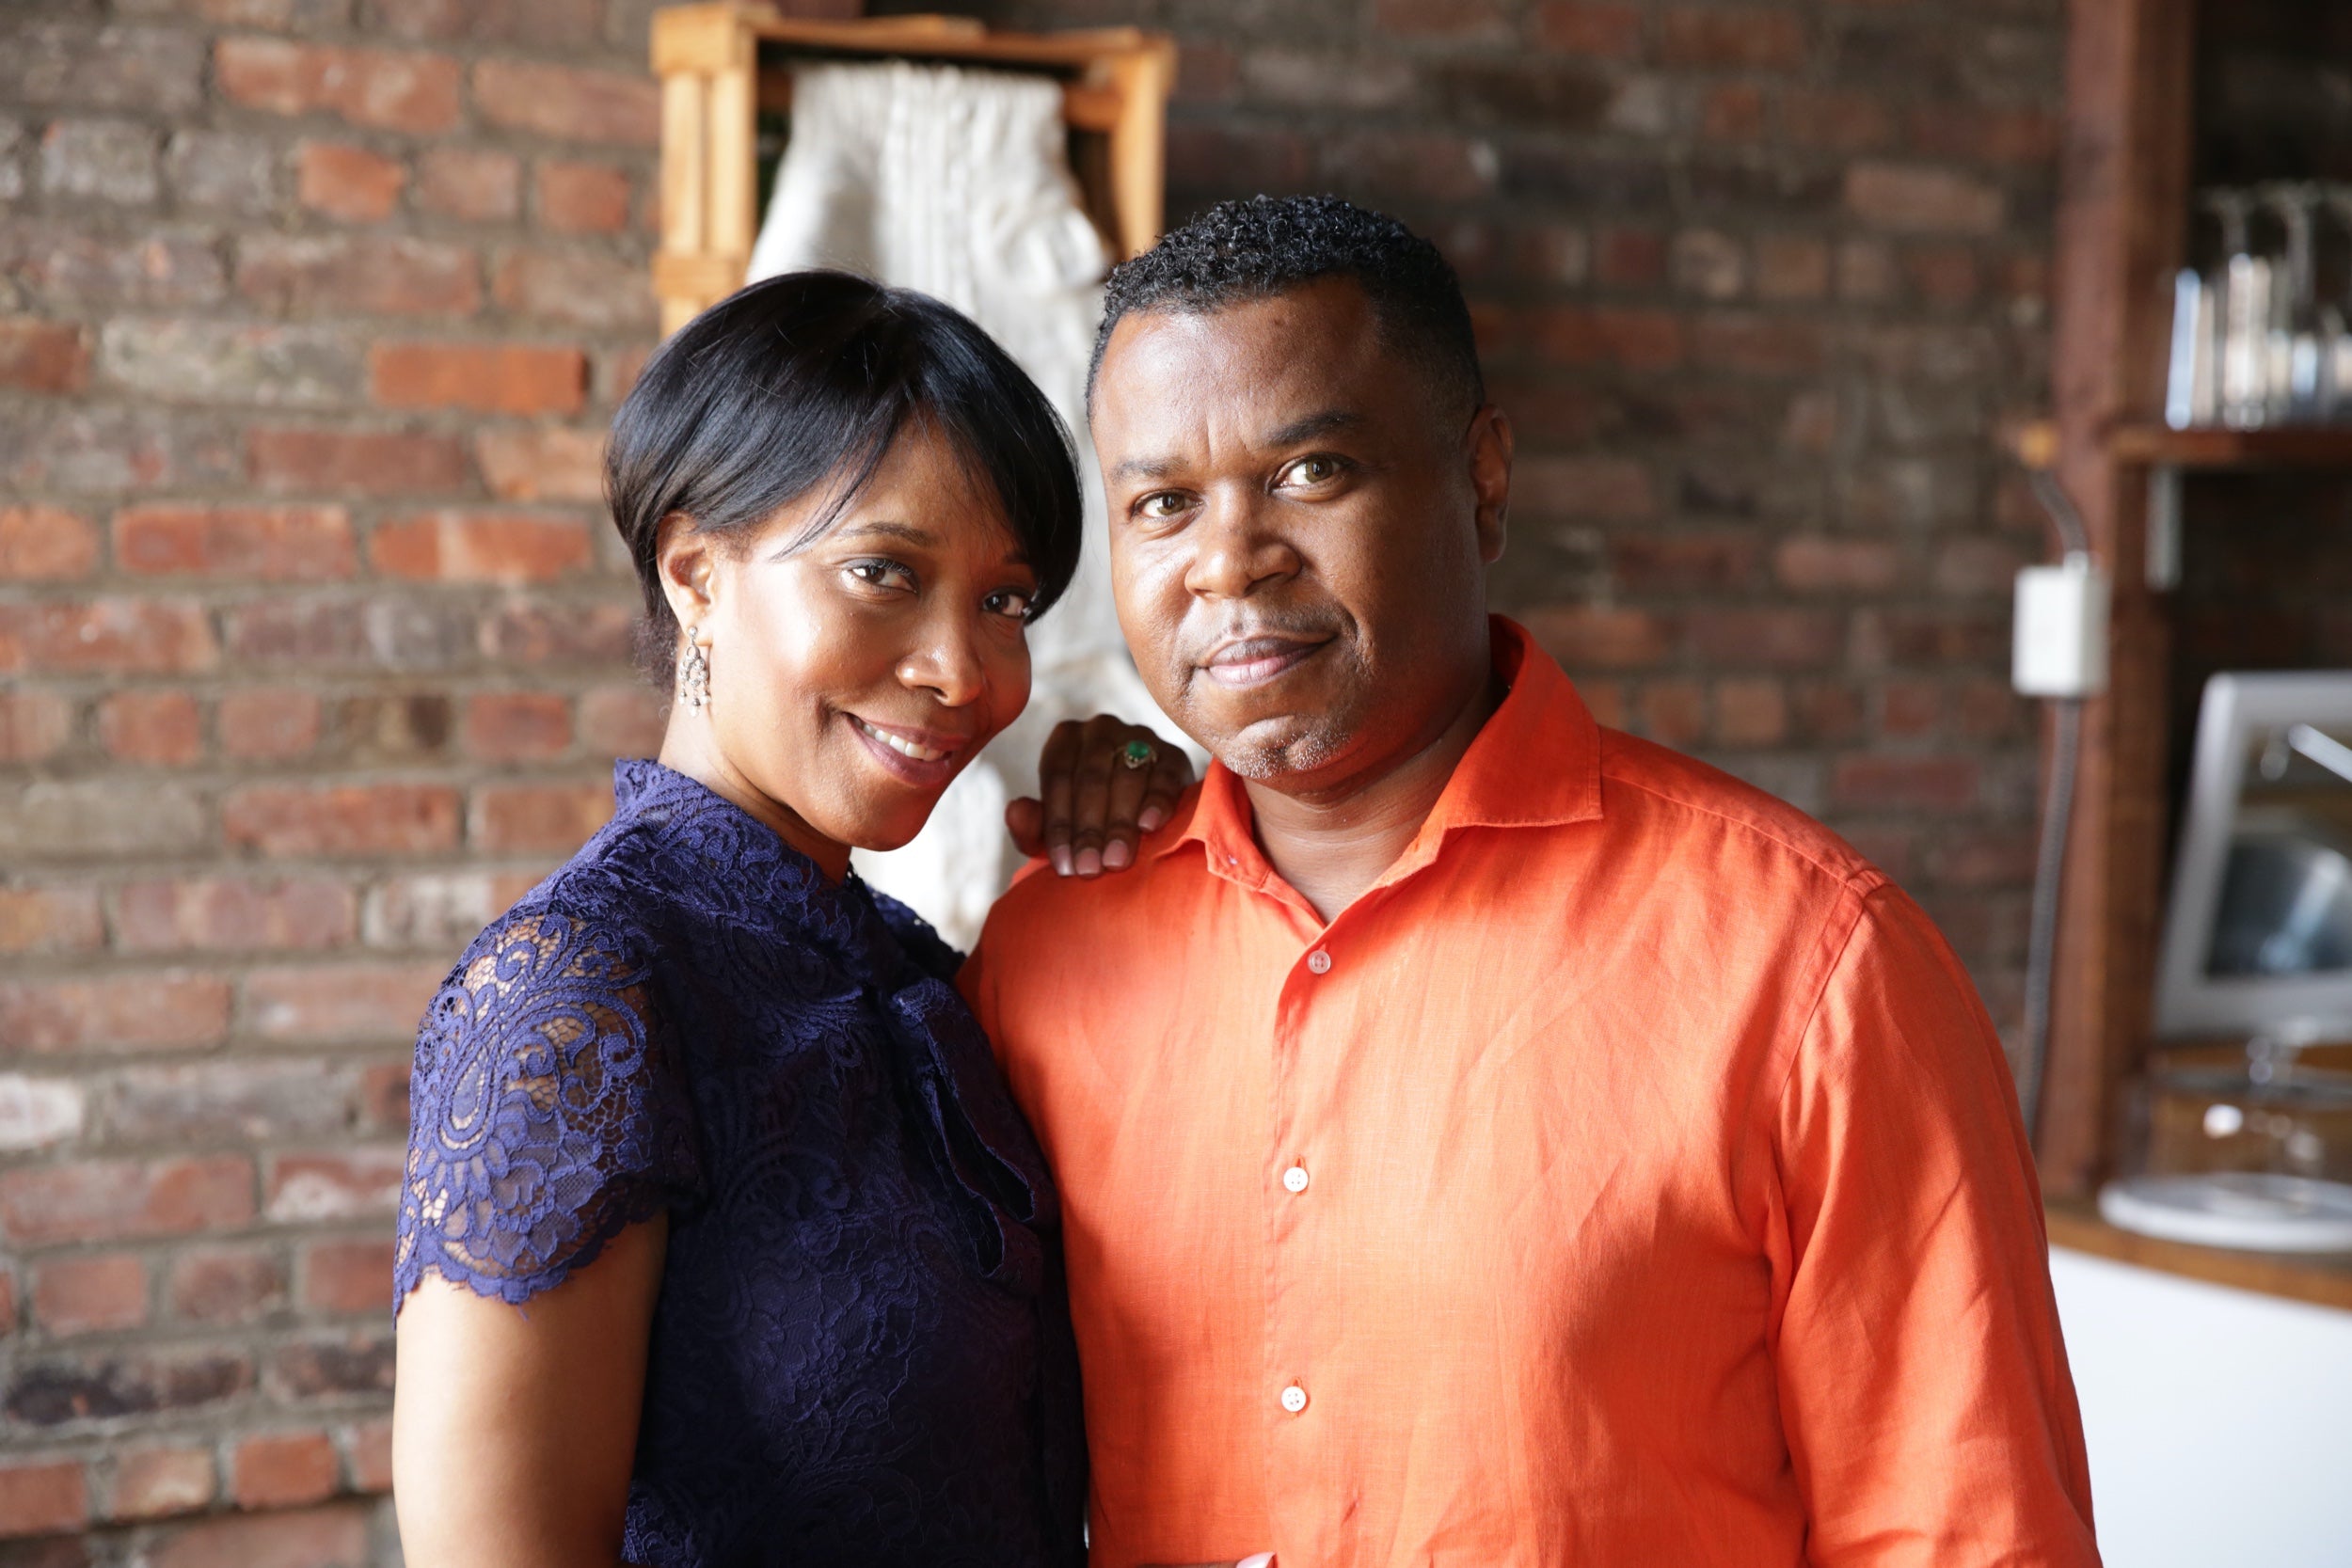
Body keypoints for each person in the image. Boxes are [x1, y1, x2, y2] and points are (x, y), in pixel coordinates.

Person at [962, 197, 2102, 1567]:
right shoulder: (1046, 955)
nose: (1227, 561)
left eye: (1312, 472)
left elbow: (1967, 1532)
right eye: (1161, 504)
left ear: (1484, 478)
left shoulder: (1809, 966)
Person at [390, 271, 1192, 1568]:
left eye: (1005, 600)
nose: (963, 670)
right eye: (885, 571)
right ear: (698, 572)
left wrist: (1166, 845)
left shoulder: (916, 977)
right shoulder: (578, 996)